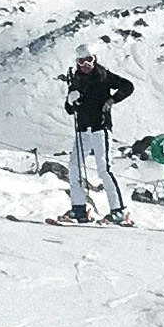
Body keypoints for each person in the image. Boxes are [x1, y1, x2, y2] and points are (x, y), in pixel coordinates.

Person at [62, 47, 135, 223]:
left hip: (100, 128)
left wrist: (112, 100)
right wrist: (70, 101)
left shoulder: (103, 76)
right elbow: (70, 110)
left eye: (89, 59)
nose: (86, 64)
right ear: (77, 63)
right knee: (74, 167)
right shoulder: (75, 80)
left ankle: (118, 211)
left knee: (104, 169)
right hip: (82, 131)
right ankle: (78, 208)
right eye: (81, 61)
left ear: (94, 59)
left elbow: (128, 86)